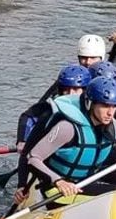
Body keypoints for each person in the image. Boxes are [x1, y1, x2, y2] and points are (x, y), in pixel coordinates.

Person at [24, 75, 116, 203]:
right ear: (90, 103)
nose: (110, 112)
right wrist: (58, 181)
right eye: (105, 105)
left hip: (88, 178)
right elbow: (33, 158)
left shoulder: (113, 126)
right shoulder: (68, 128)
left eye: (114, 106)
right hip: (61, 189)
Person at [14, 64, 92, 200]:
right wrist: (21, 185)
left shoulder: (98, 115)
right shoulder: (49, 114)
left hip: (86, 177)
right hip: (55, 179)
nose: (70, 95)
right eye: (66, 91)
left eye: (75, 90)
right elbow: (27, 153)